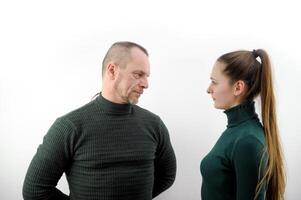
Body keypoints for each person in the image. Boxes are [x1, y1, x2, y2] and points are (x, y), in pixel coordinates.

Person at [23, 41, 177, 200]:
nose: (146, 84)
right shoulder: (69, 127)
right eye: (138, 74)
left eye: (147, 76)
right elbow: (35, 190)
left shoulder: (153, 124)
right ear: (112, 70)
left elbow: (167, 175)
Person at [201, 49, 285, 200]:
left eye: (214, 82)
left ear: (238, 87)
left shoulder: (248, 141)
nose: (209, 89)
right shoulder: (237, 131)